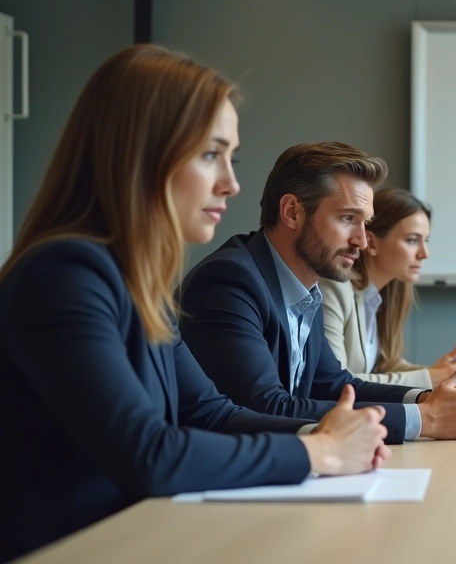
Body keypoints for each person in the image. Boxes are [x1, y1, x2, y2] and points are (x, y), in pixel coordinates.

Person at [0, 46, 388, 560]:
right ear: (141, 154)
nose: (231, 183)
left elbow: (208, 412)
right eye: (211, 155)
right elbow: (149, 454)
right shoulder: (63, 275)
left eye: (232, 158)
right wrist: (319, 450)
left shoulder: (138, 280)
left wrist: (331, 433)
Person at [179, 142, 456, 443]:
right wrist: (425, 418)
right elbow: (265, 405)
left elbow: (333, 385)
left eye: (366, 223)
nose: (362, 242)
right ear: (292, 212)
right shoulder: (230, 280)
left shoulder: (305, 284)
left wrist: (427, 399)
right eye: (348, 218)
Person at [319, 188, 456, 388]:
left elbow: (386, 366)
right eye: (412, 240)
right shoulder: (334, 289)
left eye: (426, 240)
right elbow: (338, 382)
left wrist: (448, 375)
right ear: (370, 243)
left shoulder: (384, 294)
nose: (425, 253)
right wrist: (434, 378)